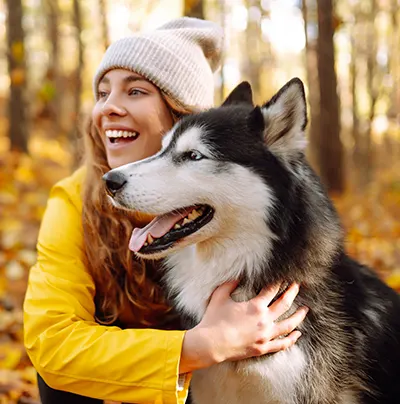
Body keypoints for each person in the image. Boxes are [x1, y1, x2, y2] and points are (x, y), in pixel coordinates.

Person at [23, 17, 309, 404]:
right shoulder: (74, 200)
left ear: (183, 114)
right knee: (56, 380)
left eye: (135, 91)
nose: (109, 108)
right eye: (103, 93)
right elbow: (52, 342)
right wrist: (198, 346)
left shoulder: (236, 194)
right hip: (143, 382)